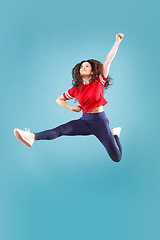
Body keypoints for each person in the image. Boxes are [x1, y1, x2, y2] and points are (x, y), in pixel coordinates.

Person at [14, 33, 124, 162]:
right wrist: (71, 108)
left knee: (116, 157)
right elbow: (59, 100)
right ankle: (32, 136)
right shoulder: (75, 90)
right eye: (82, 66)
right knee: (61, 130)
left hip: (100, 122)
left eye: (87, 66)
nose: (83, 67)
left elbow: (108, 60)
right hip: (85, 121)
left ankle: (115, 134)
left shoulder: (99, 81)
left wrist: (117, 42)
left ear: (92, 72)